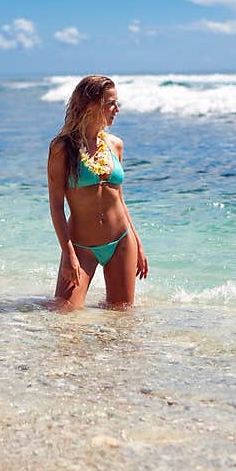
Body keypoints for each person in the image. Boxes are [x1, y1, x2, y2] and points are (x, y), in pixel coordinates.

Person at [47, 75, 148, 312]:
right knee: (64, 314)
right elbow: (56, 206)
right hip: (81, 246)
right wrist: (68, 253)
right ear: (91, 105)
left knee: (120, 319)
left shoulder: (115, 145)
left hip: (121, 241)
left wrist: (138, 244)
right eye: (110, 104)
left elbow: (119, 199)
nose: (117, 110)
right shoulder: (62, 148)